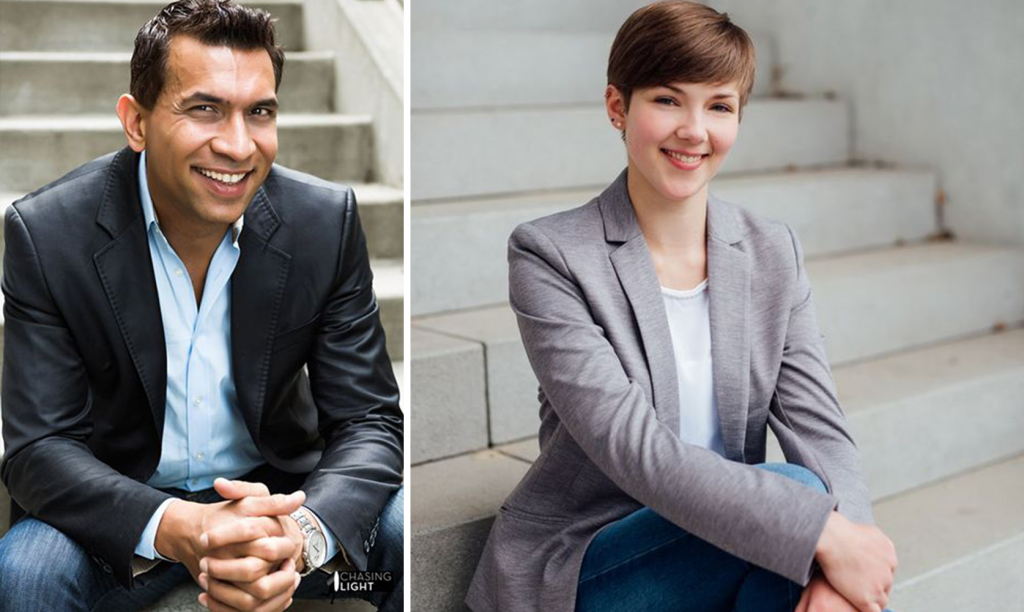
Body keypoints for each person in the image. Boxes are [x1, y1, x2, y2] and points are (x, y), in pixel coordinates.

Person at [466, 3, 897, 612]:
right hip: (596, 557)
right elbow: (635, 450)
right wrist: (822, 532)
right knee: (796, 505)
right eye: (668, 100)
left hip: (734, 541)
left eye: (719, 105)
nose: (694, 129)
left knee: (798, 555)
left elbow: (822, 431)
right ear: (618, 107)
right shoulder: (552, 255)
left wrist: (840, 564)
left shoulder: (773, 252)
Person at [0, 1, 403, 611]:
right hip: (128, 523)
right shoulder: (48, 235)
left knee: (399, 536)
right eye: (205, 109)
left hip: (280, 518)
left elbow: (369, 419)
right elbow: (38, 447)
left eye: (259, 112)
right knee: (27, 573)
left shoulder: (325, 223)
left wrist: (301, 539)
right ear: (135, 122)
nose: (238, 146)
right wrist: (176, 525)